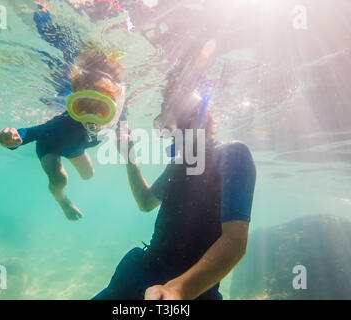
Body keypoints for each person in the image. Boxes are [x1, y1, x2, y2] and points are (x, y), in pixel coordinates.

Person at [92, 54, 256, 299]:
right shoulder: (179, 164)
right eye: (162, 127)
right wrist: (129, 156)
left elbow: (235, 241)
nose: (165, 136)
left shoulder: (232, 154)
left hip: (192, 290)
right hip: (139, 275)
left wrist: (177, 289)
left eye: (168, 127)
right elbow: (146, 201)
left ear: (193, 122)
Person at [0, 47, 126, 221]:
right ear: (73, 105)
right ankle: (63, 202)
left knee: (89, 175)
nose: (89, 117)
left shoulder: (114, 122)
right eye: (82, 107)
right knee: (59, 179)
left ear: (113, 111)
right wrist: (11, 136)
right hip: (51, 145)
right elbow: (33, 132)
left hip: (75, 148)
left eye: (101, 109)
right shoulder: (62, 124)